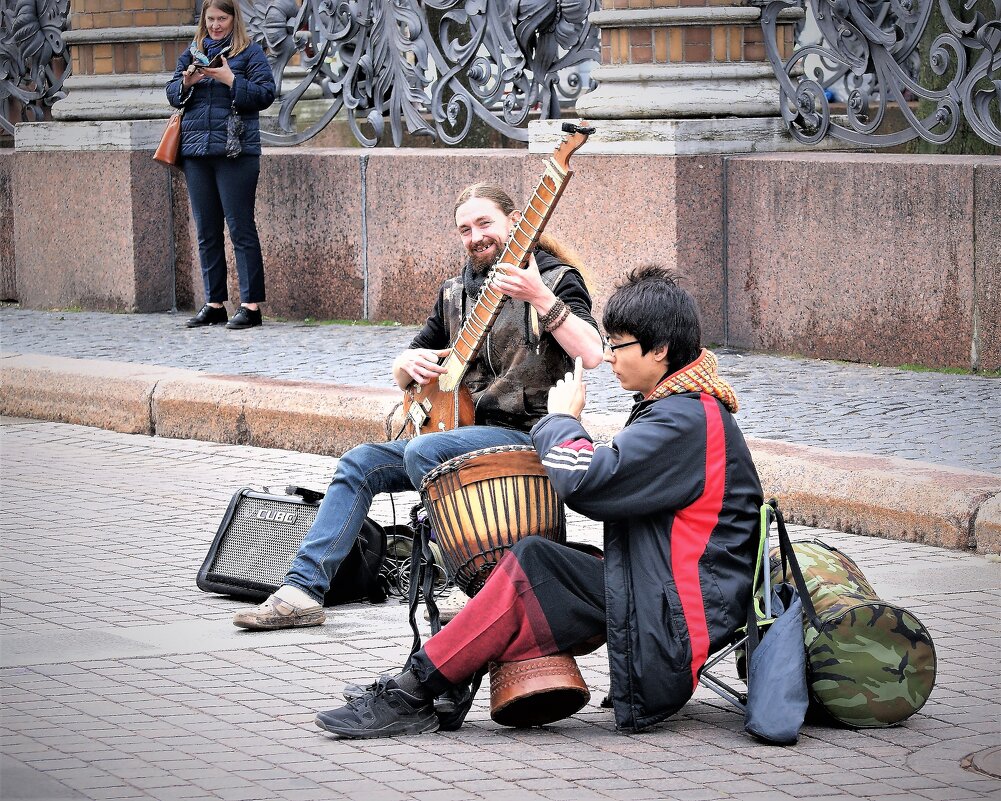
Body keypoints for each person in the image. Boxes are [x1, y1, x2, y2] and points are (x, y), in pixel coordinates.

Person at [313, 266, 764, 738]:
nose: (608, 357)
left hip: (679, 615)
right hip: (670, 590)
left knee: (533, 562)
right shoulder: (685, 406)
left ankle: (418, 688)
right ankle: (435, 683)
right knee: (539, 564)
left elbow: (585, 482)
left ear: (661, 350)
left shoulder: (684, 420)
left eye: (618, 344)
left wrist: (561, 420)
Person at [233, 182, 604, 630]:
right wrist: (404, 362)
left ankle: (475, 585)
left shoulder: (555, 277)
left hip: (530, 432)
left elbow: (593, 353)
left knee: (422, 452)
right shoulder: (455, 293)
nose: (476, 236)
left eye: (485, 223)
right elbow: (408, 369)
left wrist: (541, 298)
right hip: (456, 433)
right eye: (464, 229)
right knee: (360, 462)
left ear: (515, 221)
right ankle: (303, 590)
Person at [165, 0, 276, 330]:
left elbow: (266, 94)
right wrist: (186, 82)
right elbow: (171, 91)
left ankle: (250, 306)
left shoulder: (250, 52)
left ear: (233, 19)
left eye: (221, 19)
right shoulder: (194, 50)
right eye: (210, 18)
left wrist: (230, 79)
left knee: (241, 229)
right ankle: (214, 303)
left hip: (236, 152)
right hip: (196, 152)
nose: (215, 25)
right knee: (206, 230)